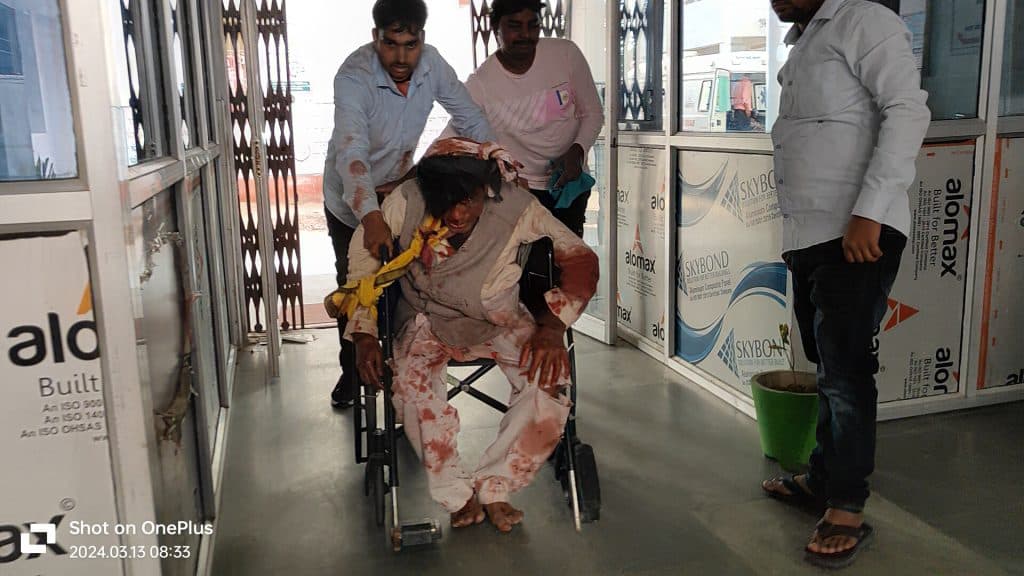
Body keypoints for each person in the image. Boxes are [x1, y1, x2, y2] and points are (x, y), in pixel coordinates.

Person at [333, 138, 598, 532]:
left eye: (468, 201)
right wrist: (364, 334)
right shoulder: (406, 200)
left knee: (550, 382)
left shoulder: (516, 205)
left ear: (486, 190)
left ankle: (496, 486)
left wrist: (553, 325)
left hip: (501, 317)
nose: (457, 213)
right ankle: (458, 496)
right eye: (446, 201)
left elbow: (581, 258)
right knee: (411, 390)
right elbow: (363, 268)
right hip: (426, 318)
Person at [761, 0, 930, 569]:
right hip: (810, 237)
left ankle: (847, 506)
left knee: (846, 371)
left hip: (856, 233)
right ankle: (822, 477)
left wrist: (870, 211)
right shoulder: (804, 41)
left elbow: (907, 110)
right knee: (827, 364)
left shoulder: (864, 21)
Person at [324, 0, 493, 408]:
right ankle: (354, 372)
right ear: (375, 38)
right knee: (357, 289)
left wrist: (492, 166)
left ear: (422, 39)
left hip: (399, 192)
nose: (401, 58)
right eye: (390, 44)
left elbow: (473, 120)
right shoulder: (354, 76)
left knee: (403, 286)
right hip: (350, 200)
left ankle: (404, 382)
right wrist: (370, 216)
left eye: (410, 45)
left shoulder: (433, 66)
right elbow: (352, 153)